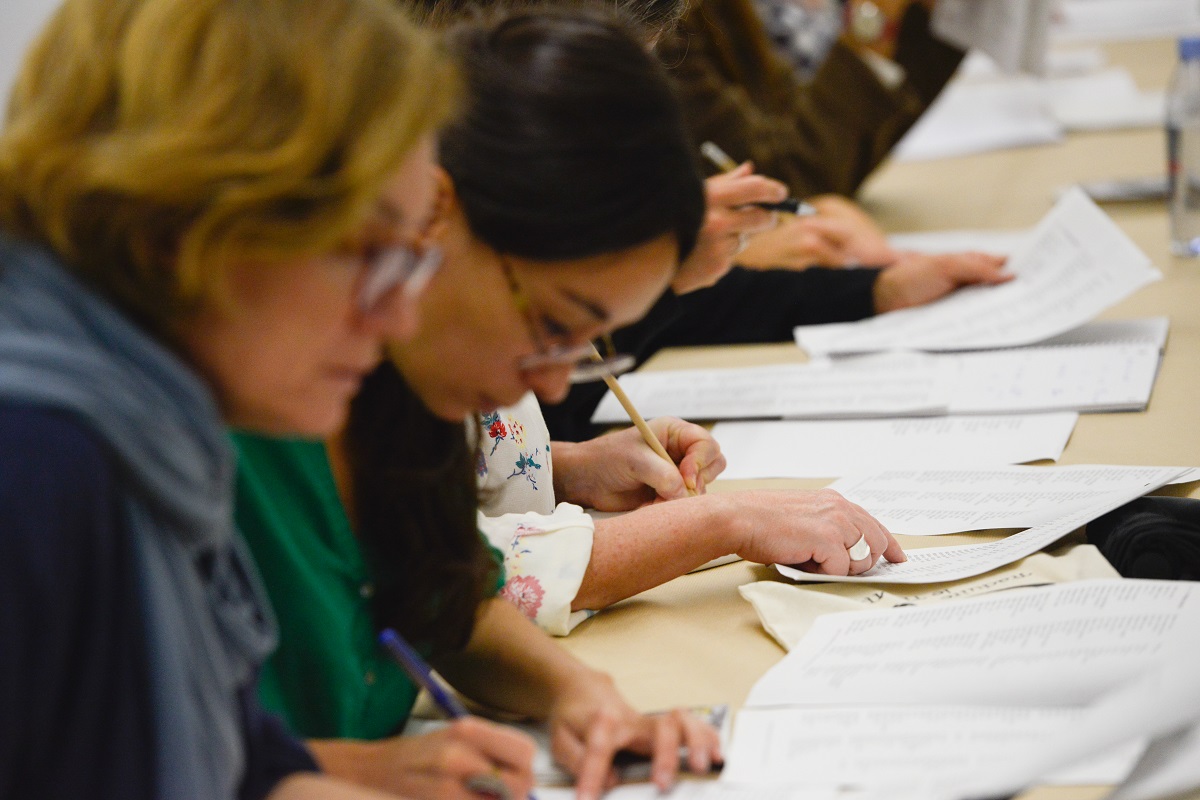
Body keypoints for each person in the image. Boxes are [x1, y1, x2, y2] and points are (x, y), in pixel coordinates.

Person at [233, 10, 738, 800]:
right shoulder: (229, 409)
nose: (547, 390)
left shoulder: (407, 387)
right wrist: (344, 771)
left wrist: (580, 694)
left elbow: (445, 592)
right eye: (551, 326)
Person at [0, 0, 458, 798]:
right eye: (369, 252)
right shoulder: (34, 469)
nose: (400, 317)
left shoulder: (149, 432)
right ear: (188, 216)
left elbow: (238, 763)